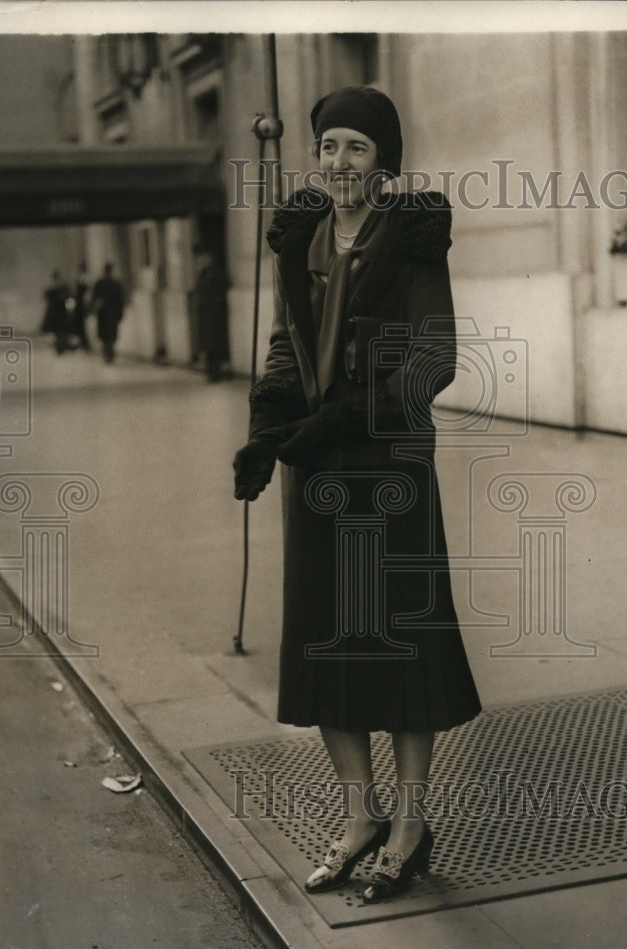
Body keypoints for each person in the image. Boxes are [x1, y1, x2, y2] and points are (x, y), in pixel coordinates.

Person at [233, 86, 481, 903]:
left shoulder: (410, 240)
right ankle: (359, 819)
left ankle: (409, 824)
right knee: (328, 646)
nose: (339, 164)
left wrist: (340, 420)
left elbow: (432, 361)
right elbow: (284, 346)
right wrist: (267, 435)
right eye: (329, 146)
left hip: (388, 471)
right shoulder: (298, 238)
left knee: (398, 655)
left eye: (357, 149)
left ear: (384, 164)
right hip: (317, 475)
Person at [192, 245, 231, 381]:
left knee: (215, 345)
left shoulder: (215, 273)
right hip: (205, 315)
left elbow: (223, 287)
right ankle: (211, 372)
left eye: (204, 258)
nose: (201, 260)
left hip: (214, 315)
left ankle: (216, 373)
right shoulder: (201, 274)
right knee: (208, 346)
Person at [92, 262, 124, 363]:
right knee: (110, 334)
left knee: (106, 334)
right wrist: (120, 313)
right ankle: (109, 352)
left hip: (105, 313)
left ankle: (108, 352)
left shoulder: (101, 283)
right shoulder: (114, 283)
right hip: (109, 313)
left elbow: (94, 298)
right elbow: (120, 300)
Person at [40, 269, 74, 354]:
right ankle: (60, 345)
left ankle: (63, 344)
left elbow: (69, 296)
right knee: (56, 328)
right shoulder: (52, 286)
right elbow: (46, 295)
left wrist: (69, 308)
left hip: (62, 310)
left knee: (62, 328)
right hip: (54, 311)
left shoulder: (63, 286)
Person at [73, 261, 91, 352]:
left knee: (83, 324)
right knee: (80, 324)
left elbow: (87, 292)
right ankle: (83, 343)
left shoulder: (86, 278)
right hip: (79, 303)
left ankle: (85, 343)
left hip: (83, 303)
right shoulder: (81, 277)